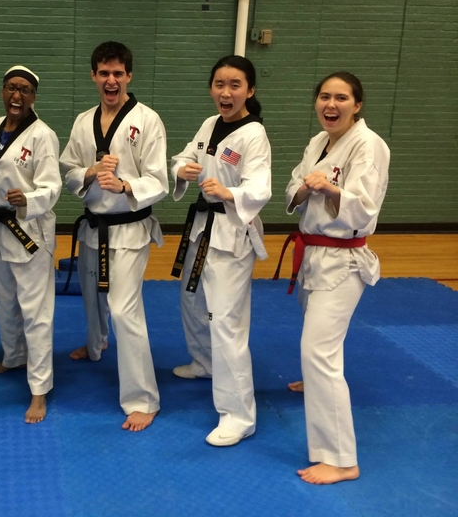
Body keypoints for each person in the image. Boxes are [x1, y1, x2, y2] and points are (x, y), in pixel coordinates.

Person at [277, 72, 390, 484]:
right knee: (321, 346)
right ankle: (315, 383)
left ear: (357, 105)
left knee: (318, 350)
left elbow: (366, 207)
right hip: (314, 253)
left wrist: (330, 189)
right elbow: (294, 185)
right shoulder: (317, 143)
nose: (331, 104)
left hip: (343, 259)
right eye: (324, 96)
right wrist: (308, 189)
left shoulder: (369, 145)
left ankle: (342, 459)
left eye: (341, 98)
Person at [59, 41, 167, 432]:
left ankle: (143, 398)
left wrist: (124, 186)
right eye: (103, 73)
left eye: (118, 73)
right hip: (93, 226)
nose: (111, 80)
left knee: (123, 308)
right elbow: (68, 167)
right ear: (93, 76)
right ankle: (95, 345)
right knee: (91, 299)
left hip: (129, 228)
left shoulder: (148, 120)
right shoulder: (83, 120)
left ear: (129, 76)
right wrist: (88, 173)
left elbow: (159, 180)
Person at [169, 55, 271, 447]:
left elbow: (260, 186)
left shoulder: (253, 135)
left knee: (226, 323)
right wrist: (181, 169)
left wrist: (232, 192)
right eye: (219, 84)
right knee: (192, 300)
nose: (225, 93)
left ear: (249, 90)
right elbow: (186, 155)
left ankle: (238, 414)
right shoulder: (211, 124)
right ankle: (204, 362)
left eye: (234, 85)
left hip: (230, 232)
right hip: (202, 228)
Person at [0, 66, 61, 424]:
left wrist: (27, 198)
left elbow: (51, 187)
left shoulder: (43, 136)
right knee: (5, 302)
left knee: (36, 314)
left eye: (24, 90)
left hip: (29, 233)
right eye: (11, 88)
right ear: (2, 91)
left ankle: (39, 390)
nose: (16, 95)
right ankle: (13, 357)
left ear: (33, 96)